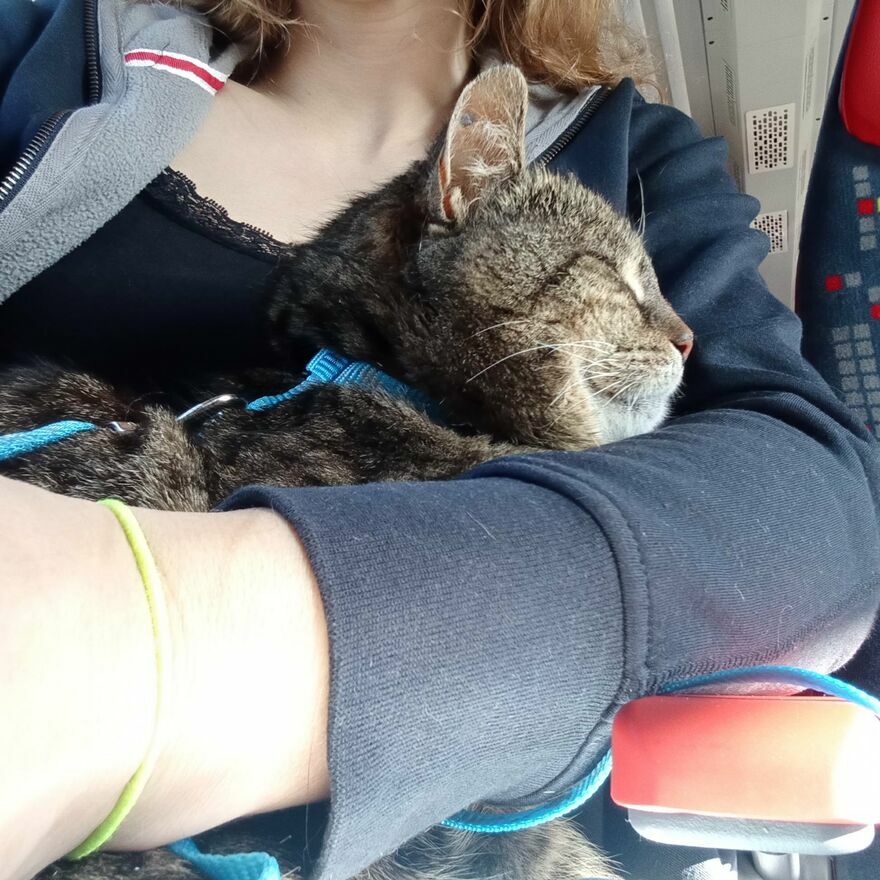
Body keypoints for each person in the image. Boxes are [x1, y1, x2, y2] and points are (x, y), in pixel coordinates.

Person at [1, 1, 879, 879]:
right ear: (458, 197)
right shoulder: (46, 45)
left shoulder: (638, 150)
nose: (679, 338)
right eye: (623, 284)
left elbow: (816, 505)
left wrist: (194, 630)